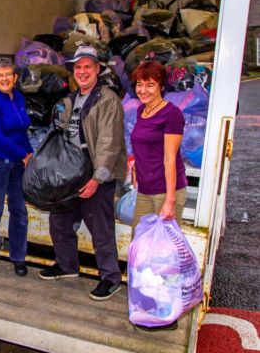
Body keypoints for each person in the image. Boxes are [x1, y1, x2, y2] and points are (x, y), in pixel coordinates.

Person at [39, 45, 126, 301]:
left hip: (98, 175)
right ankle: (67, 266)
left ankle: (111, 278)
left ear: (97, 69)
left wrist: (97, 178)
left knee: (100, 229)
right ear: (73, 72)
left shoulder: (108, 100)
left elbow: (109, 143)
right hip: (71, 174)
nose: (83, 71)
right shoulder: (69, 100)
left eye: (88, 66)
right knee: (59, 221)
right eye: (78, 67)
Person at [0, 57, 32, 275]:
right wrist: (23, 155)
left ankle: (18, 257)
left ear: (15, 77)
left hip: (18, 161)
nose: (4, 78)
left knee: (19, 210)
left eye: (8, 74)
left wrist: (30, 153)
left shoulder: (19, 98)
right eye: (0, 75)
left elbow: (22, 131)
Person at [130, 62, 187, 229]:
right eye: (140, 85)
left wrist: (170, 200)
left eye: (150, 85)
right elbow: (144, 144)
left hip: (166, 191)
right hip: (145, 189)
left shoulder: (171, 114)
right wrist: (135, 168)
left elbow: (170, 158)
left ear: (161, 86)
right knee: (140, 244)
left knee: (162, 250)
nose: (143, 90)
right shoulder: (142, 110)